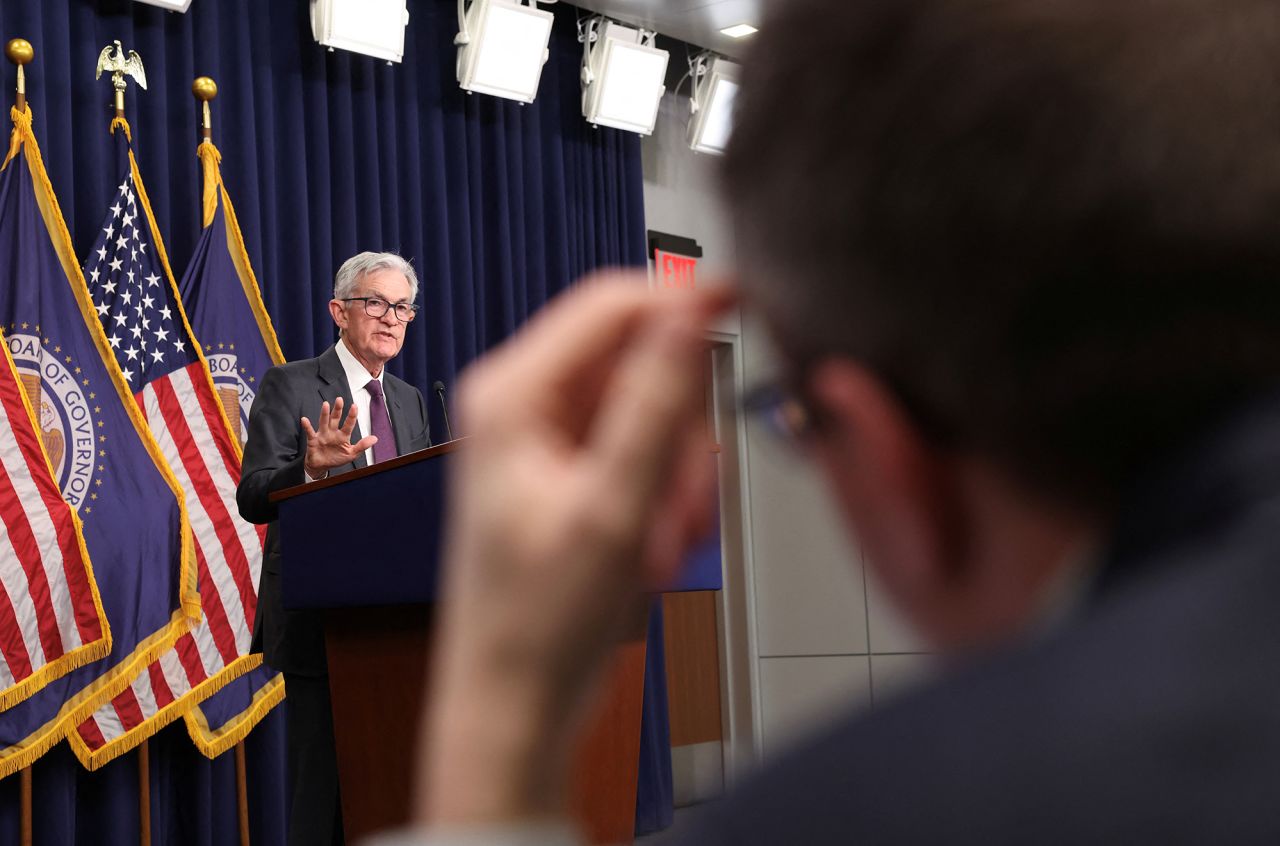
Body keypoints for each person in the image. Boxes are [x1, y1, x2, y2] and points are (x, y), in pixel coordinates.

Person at [383, 0, 1280, 843]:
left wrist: (500, 724)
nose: (393, 316)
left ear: (882, 448)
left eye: (798, 421)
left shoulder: (891, 812)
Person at [238, 251, 431, 846]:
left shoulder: (409, 398)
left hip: (402, 619)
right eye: (376, 302)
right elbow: (252, 495)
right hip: (324, 619)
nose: (391, 317)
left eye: (402, 307)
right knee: (322, 796)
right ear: (338, 311)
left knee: (393, 789)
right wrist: (309, 469)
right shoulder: (291, 383)